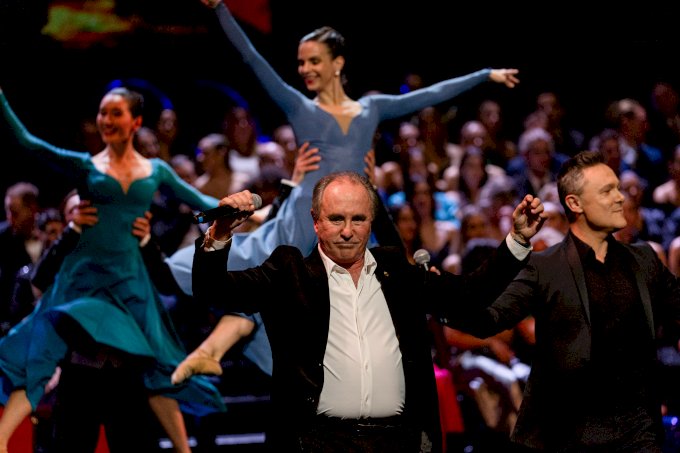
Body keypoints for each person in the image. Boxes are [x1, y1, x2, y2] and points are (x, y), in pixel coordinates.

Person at [190, 171, 546, 451]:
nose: (347, 231)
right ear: (316, 221)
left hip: (398, 442)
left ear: (371, 221)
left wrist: (517, 240)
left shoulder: (396, 272)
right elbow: (213, 291)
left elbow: (467, 297)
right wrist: (219, 233)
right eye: (336, 219)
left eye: (358, 219)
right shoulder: (289, 272)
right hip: (318, 443)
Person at [0, 85, 226, 453]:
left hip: (126, 354)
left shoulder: (153, 177)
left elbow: (197, 212)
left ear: (135, 122)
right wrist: (72, 231)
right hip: (82, 356)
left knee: (158, 369)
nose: (105, 120)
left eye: (115, 113)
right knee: (37, 354)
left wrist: (252, 211)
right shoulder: (83, 189)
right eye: (102, 113)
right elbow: (40, 280)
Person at [452, 150, 680, 452]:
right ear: (575, 203)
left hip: (637, 430)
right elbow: (485, 320)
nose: (620, 198)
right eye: (607, 191)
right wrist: (514, 245)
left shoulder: (645, 259)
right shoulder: (544, 267)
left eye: (618, 188)